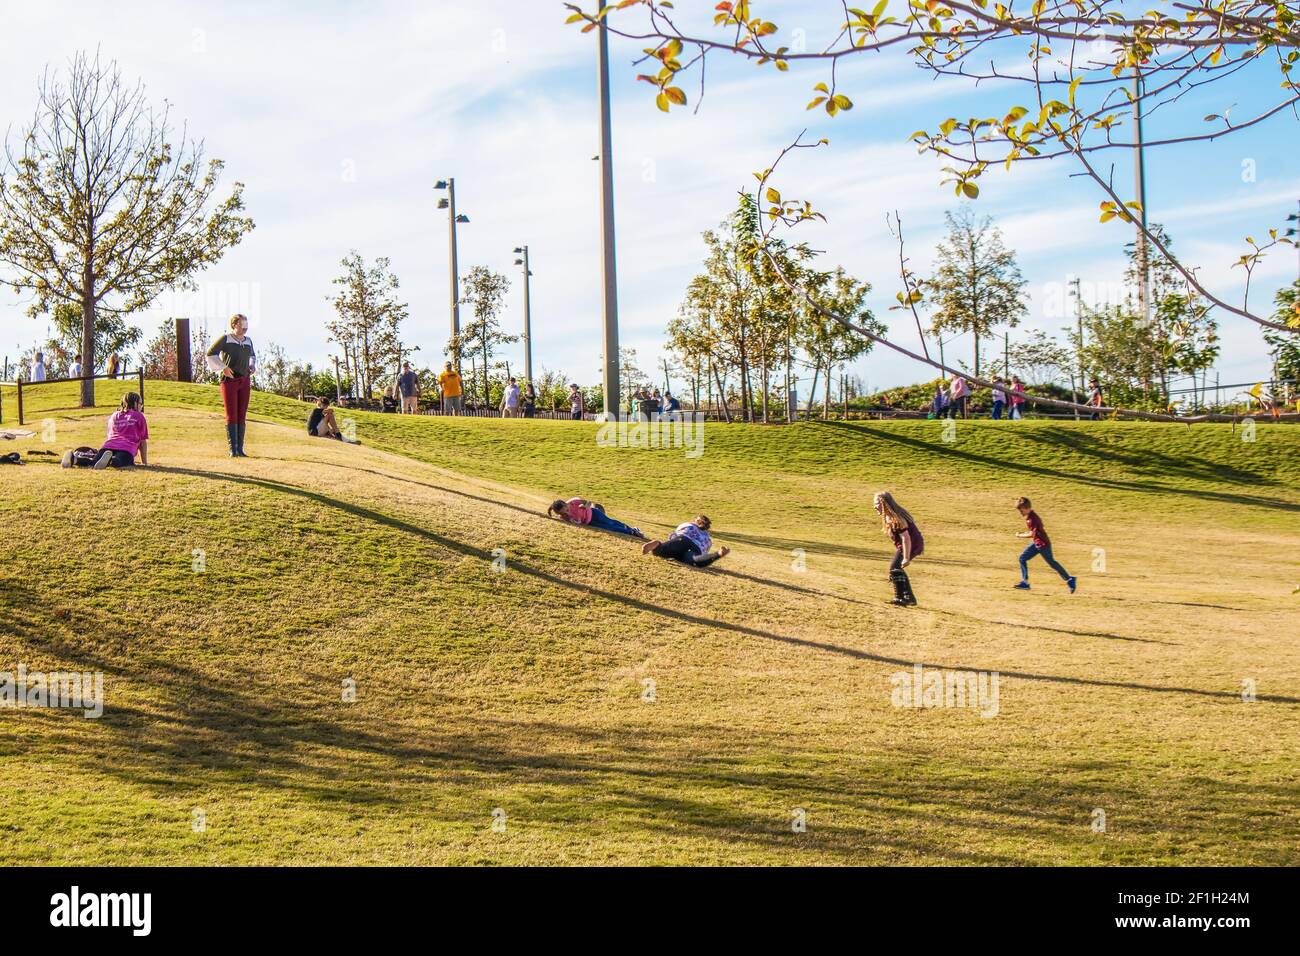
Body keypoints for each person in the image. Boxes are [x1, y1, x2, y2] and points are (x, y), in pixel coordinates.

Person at [206, 313, 256, 457]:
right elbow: (211, 353)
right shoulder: (226, 339)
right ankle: (232, 449)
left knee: (242, 413)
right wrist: (223, 367)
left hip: (245, 380)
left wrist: (252, 366)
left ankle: (240, 448)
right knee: (231, 414)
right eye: (242, 325)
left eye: (246, 325)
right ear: (234, 325)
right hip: (229, 380)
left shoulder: (248, 341)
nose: (245, 328)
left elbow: (252, 356)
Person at [62, 392, 148, 469]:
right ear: (135, 403)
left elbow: (110, 434)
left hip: (108, 446)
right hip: (126, 449)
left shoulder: (115, 415)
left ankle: (75, 459)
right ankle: (111, 460)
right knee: (119, 462)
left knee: (93, 462)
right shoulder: (139, 416)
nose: (142, 406)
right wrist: (144, 462)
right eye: (141, 403)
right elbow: (142, 442)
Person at [1013, 497, 1076, 593]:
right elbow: (1034, 532)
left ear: (1026, 508)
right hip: (1037, 543)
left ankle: (1069, 579)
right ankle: (1025, 582)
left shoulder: (1032, 519)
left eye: (1021, 510)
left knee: (1052, 563)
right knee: (1022, 558)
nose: (1020, 513)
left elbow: (1032, 534)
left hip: (1043, 545)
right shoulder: (1030, 517)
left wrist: (1019, 535)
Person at [873, 491, 922, 606]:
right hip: (908, 545)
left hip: (911, 545)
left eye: (876, 503)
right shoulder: (889, 516)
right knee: (895, 568)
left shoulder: (895, 518)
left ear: (884, 503)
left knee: (895, 567)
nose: (874, 506)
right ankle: (905, 597)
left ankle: (905, 597)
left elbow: (906, 538)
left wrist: (906, 558)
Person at [641, 514, 729, 568]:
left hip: (682, 539)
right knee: (695, 560)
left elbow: (674, 534)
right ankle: (718, 554)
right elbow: (704, 553)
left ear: (696, 521)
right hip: (695, 548)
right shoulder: (708, 539)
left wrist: (670, 543)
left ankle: (657, 544)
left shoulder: (688, 525)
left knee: (660, 551)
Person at [547, 497, 644, 538]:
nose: (567, 513)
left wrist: (585, 506)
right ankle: (632, 532)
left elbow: (589, 503)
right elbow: (577, 522)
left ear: (565, 503)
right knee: (610, 528)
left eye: (566, 509)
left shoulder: (574, 501)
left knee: (610, 522)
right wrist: (577, 523)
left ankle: (632, 529)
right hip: (591, 522)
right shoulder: (564, 517)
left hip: (595, 513)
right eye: (564, 513)